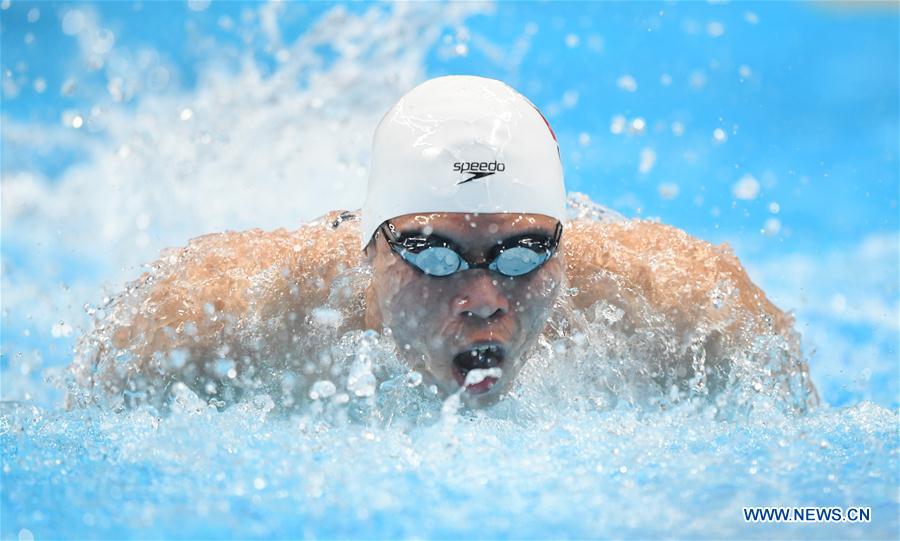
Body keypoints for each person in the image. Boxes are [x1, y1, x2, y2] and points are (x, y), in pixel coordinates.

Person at [67, 76, 818, 412]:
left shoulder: (683, 302)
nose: (484, 298)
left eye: (524, 250)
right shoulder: (225, 314)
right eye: (431, 252)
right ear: (370, 249)